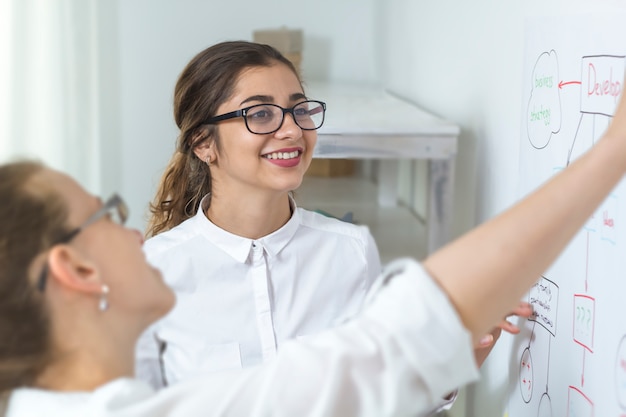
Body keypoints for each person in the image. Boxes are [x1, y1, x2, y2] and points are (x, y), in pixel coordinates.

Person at [2, 85, 626, 414]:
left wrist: (441, 364)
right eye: (106, 215)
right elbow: (378, 355)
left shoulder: (349, 247)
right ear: (76, 269)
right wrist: (610, 153)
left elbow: (368, 374)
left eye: (299, 109)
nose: (134, 230)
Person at [135, 41, 530, 393]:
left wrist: (458, 355)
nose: (291, 129)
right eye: (260, 114)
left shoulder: (350, 250)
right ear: (204, 143)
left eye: (299, 109)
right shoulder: (153, 271)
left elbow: (380, 396)